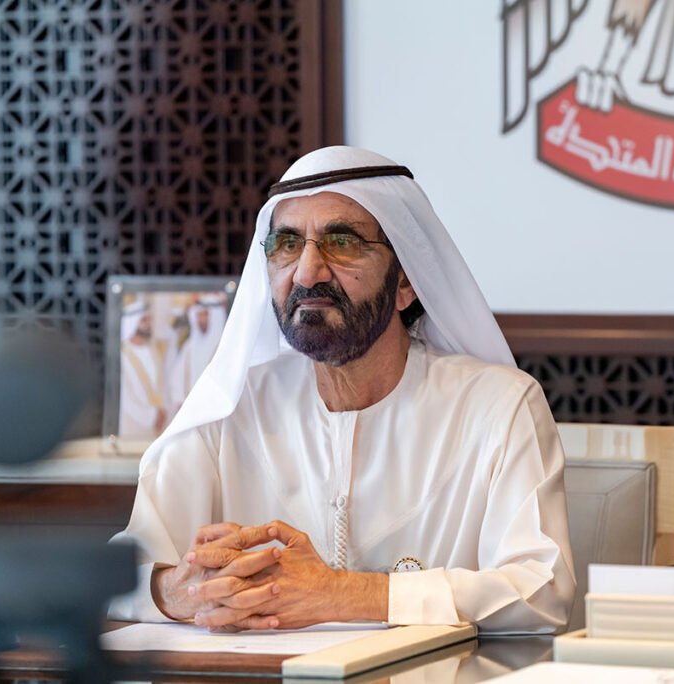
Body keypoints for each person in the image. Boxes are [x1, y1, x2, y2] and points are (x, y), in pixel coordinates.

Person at [110, 146, 576, 634]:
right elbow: (121, 576)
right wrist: (180, 591)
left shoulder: (498, 406)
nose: (307, 272)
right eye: (287, 244)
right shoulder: (230, 409)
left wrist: (344, 594)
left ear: (405, 283)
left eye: (342, 242)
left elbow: (542, 590)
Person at [118, 296, 176, 437]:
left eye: (149, 320)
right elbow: (125, 397)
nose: (148, 324)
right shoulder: (122, 355)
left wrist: (164, 412)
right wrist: (151, 416)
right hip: (135, 425)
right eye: (144, 320)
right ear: (132, 323)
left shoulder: (153, 350)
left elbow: (163, 385)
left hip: (161, 423)